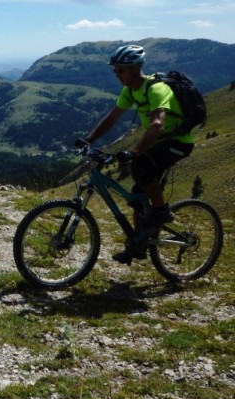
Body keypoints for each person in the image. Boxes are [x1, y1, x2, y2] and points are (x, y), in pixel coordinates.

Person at [76, 44, 194, 265]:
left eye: (120, 70)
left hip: (178, 142)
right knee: (138, 196)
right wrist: (89, 140)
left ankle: (161, 211)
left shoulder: (157, 89)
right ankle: (138, 246)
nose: (116, 74)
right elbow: (112, 117)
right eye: (115, 70)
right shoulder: (130, 90)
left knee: (140, 166)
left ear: (135, 68)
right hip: (158, 142)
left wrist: (136, 151)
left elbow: (158, 125)